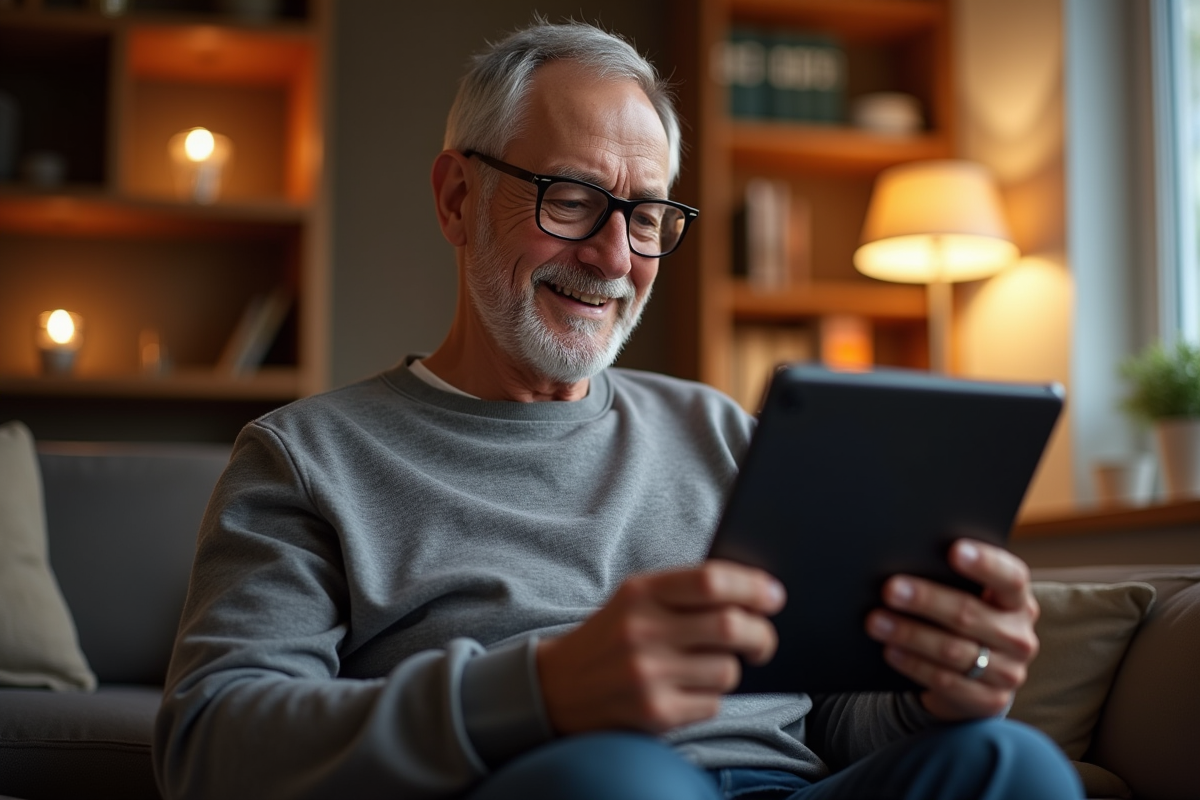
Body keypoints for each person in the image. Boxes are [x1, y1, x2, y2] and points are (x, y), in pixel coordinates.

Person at [153, 19, 1083, 800]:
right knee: (626, 783)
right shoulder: (306, 456)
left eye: (644, 216)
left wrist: (944, 685)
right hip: (576, 785)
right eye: (570, 198)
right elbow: (206, 742)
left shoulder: (726, 432)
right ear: (456, 197)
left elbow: (833, 717)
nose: (611, 257)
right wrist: (539, 691)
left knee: (1010, 762)